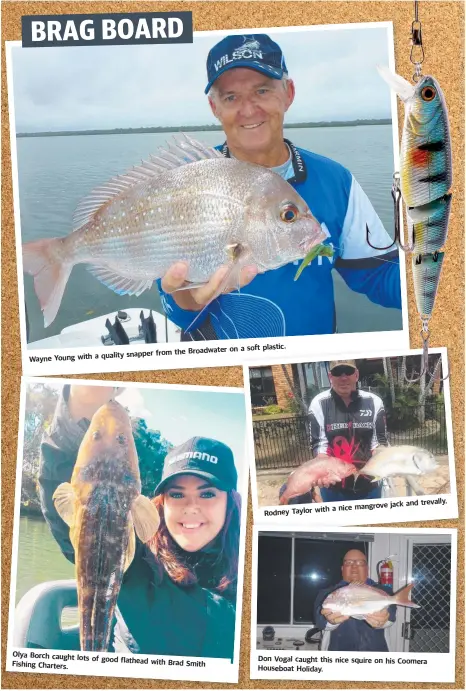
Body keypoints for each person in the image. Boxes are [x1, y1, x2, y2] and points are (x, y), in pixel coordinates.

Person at [158, 33, 402, 340]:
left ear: (288, 92)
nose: (248, 109)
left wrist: (444, 280)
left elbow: (378, 274)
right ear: (214, 107)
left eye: (262, 90)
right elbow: (177, 302)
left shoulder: (335, 181)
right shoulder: (188, 186)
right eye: (231, 97)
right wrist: (187, 299)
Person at [38, 384, 241, 658]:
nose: (191, 507)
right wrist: (80, 401)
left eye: (207, 493)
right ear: (160, 503)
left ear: (232, 501)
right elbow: (69, 523)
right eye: (177, 494)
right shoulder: (137, 562)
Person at [280, 359, 388, 503]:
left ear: (356, 375)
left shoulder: (374, 402)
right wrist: (322, 472)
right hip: (333, 488)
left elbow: (379, 443)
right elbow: (320, 445)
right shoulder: (319, 403)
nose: (343, 378)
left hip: (371, 485)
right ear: (330, 377)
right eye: (338, 373)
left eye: (348, 372)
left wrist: (386, 462)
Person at [314, 549, 396, 652]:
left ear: (367, 569)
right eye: (349, 563)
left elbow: (391, 615)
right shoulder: (327, 593)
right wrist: (330, 620)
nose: (354, 567)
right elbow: (320, 621)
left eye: (360, 563)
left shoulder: (383, 591)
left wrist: (383, 619)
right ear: (342, 569)